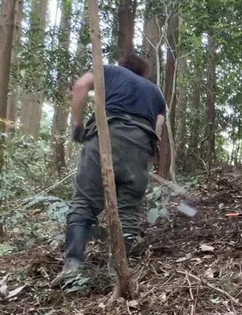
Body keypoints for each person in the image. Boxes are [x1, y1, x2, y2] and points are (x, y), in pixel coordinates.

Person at [58, 53, 167, 284]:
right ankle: (117, 271)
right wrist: (147, 152)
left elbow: (80, 86)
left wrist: (77, 126)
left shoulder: (110, 71)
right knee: (128, 210)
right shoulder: (155, 91)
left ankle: (73, 267)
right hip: (140, 144)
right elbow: (158, 127)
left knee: (84, 202)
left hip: (107, 134)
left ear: (124, 66)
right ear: (144, 73)